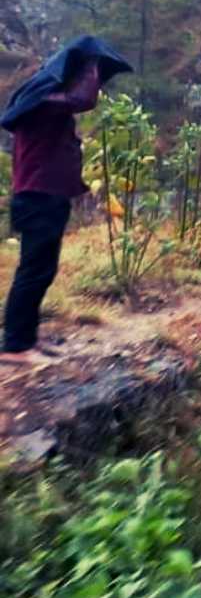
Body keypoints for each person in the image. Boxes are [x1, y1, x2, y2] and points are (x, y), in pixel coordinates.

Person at [0, 36, 132, 366]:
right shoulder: (43, 104)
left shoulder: (47, 106)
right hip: (37, 198)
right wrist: (91, 64)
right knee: (33, 270)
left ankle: (26, 337)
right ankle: (15, 345)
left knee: (42, 270)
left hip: (47, 197)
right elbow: (83, 99)